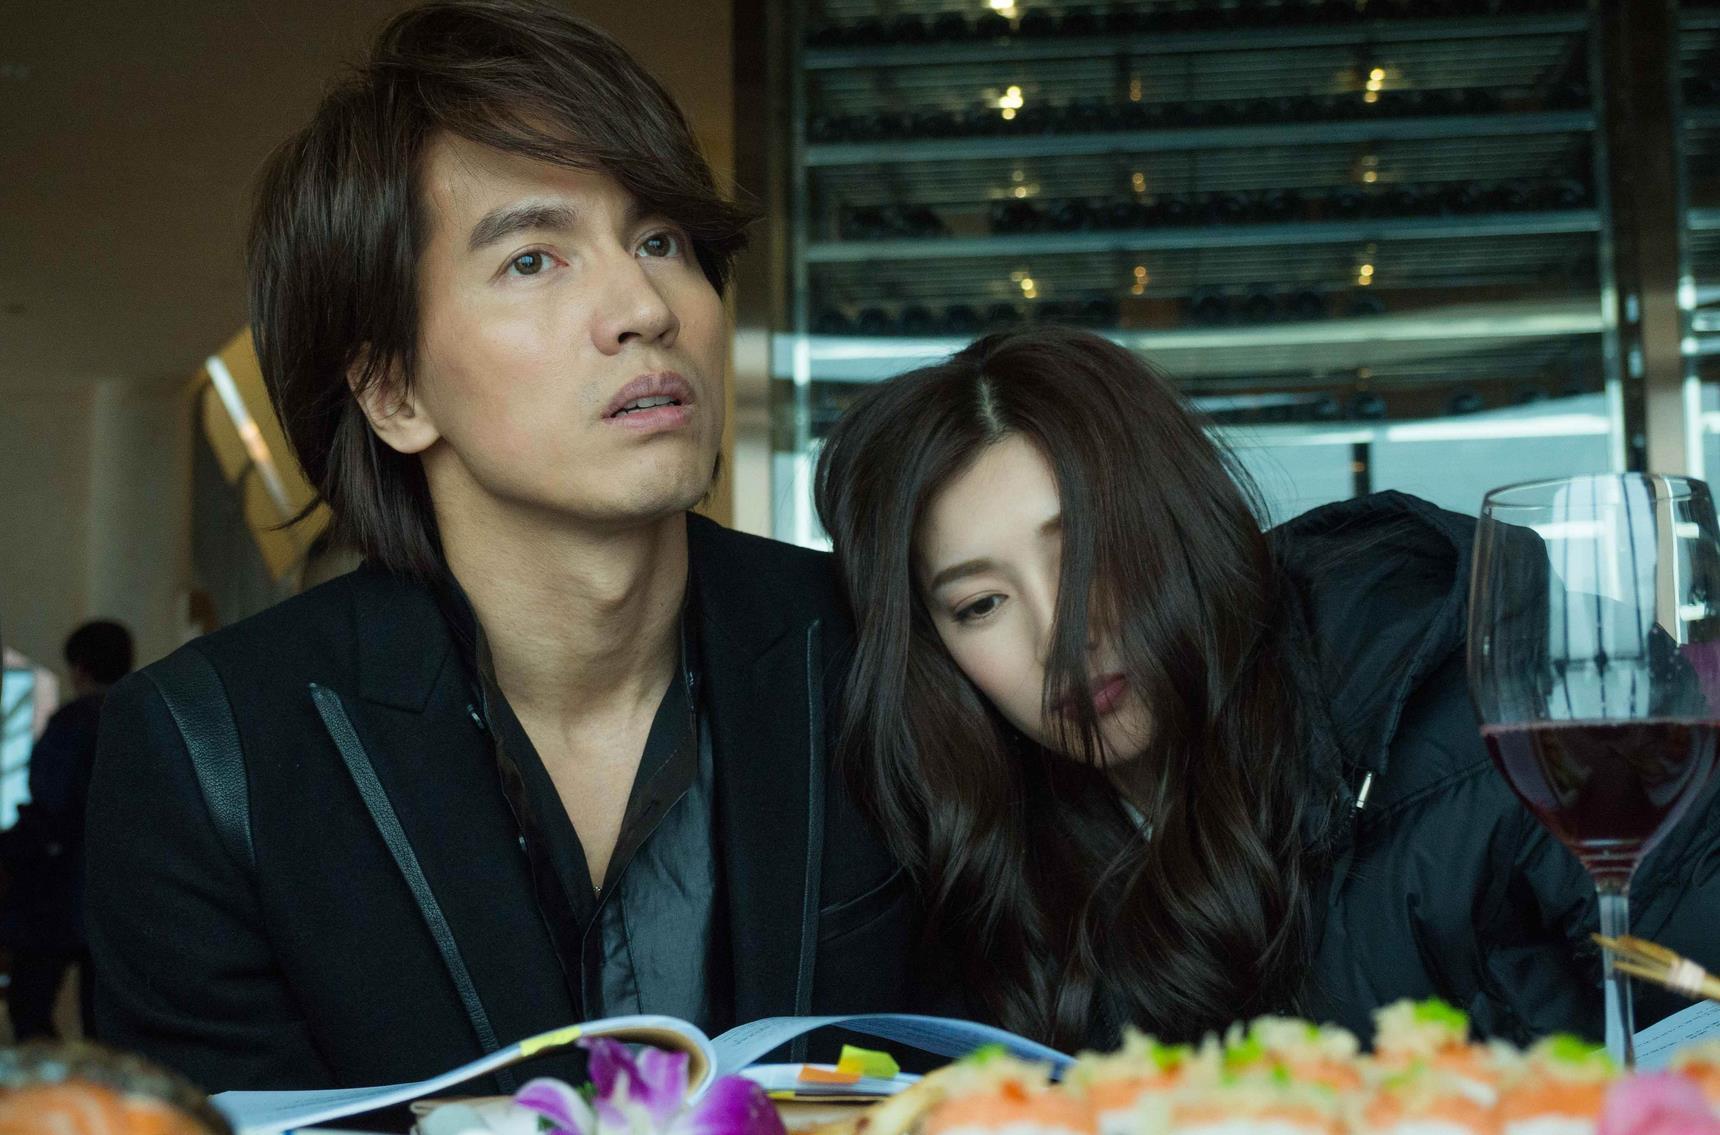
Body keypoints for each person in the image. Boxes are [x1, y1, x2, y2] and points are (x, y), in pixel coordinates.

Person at [86, 0, 915, 1093]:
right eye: (533, 259)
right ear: (394, 390)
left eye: (659, 241)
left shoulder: (883, 654)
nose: (643, 307)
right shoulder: (209, 756)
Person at [813, 325, 1720, 1052]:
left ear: (1181, 517)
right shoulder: (983, 862)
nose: (1060, 635)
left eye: (1089, 550)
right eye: (980, 603)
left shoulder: (1498, 720)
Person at [0, 619, 132, 1041]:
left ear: (79, 668)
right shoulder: (136, 720)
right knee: (105, 1022)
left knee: (31, 1006)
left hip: (54, 891)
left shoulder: (73, 724)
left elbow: (49, 802)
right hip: (117, 890)